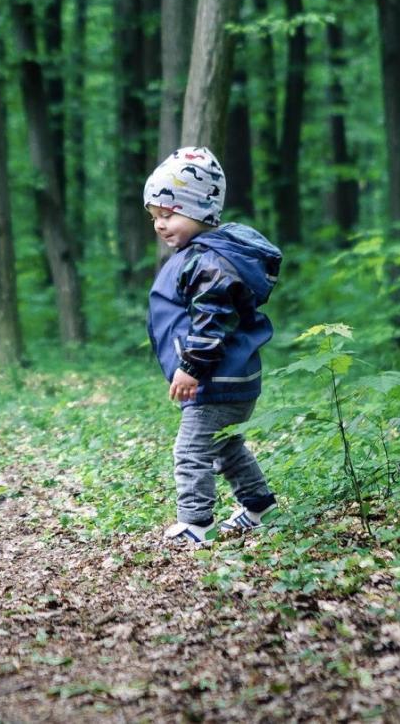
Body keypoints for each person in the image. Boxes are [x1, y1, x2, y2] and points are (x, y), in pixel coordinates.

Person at [143, 147, 282, 545]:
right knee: (224, 445)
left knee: (191, 450)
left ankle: (196, 522)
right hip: (229, 378)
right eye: (155, 217)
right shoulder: (202, 255)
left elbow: (211, 320)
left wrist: (191, 367)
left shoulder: (209, 262)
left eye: (169, 215)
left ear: (200, 211)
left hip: (216, 377)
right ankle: (260, 506)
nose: (160, 225)